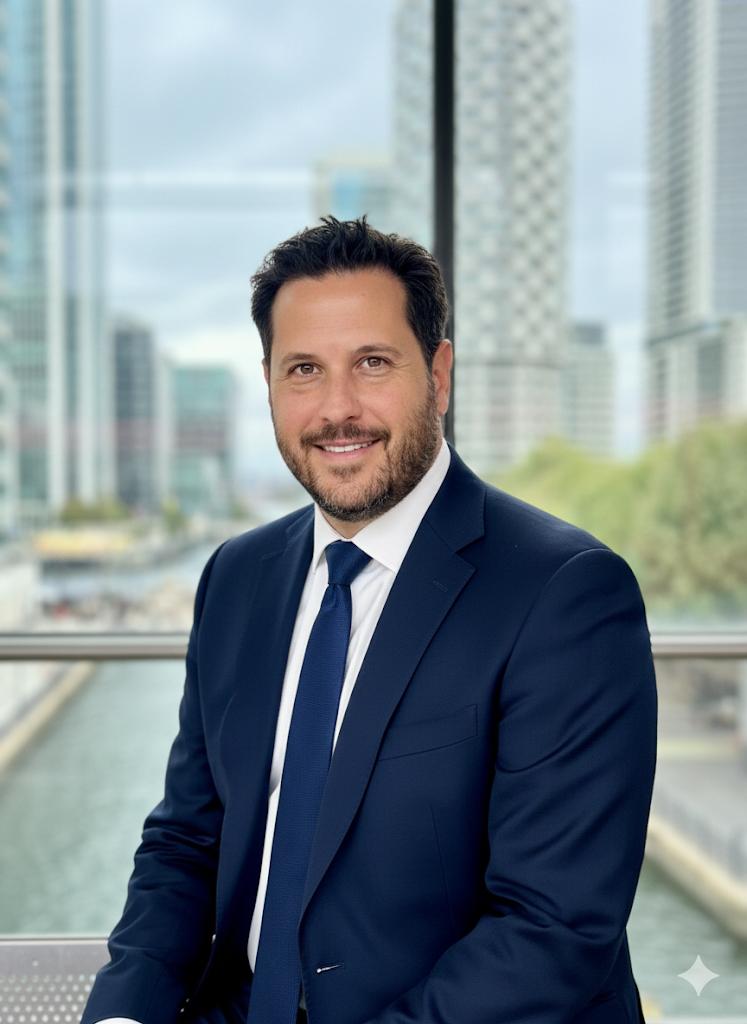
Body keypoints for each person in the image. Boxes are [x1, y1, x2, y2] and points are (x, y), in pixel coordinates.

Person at [81, 216, 657, 1024]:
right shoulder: (236, 577)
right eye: (304, 370)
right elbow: (186, 841)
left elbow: (550, 931)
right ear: (270, 384)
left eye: (372, 363)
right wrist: (124, 1014)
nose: (337, 409)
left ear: (439, 375)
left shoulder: (566, 593)